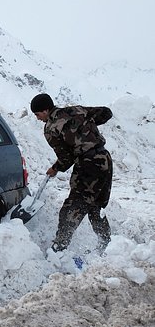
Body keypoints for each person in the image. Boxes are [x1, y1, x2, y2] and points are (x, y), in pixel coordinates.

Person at [30, 93, 113, 253]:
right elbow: (106, 113)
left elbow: (66, 158)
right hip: (104, 159)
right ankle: (107, 244)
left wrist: (55, 168)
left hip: (88, 165)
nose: (37, 118)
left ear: (46, 110)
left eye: (38, 114)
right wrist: (86, 126)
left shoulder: (51, 129)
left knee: (72, 207)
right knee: (96, 206)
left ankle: (59, 249)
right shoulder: (77, 110)